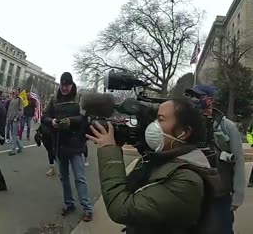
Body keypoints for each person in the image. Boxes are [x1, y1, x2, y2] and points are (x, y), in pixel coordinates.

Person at [86, 98, 221, 233]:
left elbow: (121, 208)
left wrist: (109, 150)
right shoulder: (163, 160)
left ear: (184, 133)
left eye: (160, 119)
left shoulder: (186, 181)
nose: (153, 125)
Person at [185, 84, 245, 234]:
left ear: (210, 100)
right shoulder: (186, 125)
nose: (193, 100)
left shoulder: (227, 127)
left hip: (220, 195)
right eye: (191, 96)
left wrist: (238, 195)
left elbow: (238, 160)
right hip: (194, 194)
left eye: (198, 96)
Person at [41, 72, 93, 221]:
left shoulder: (79, 99)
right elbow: (44, 117)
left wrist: (71, 121)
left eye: (67, 85)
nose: (64, 88)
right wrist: (51, 122)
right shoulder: (54, 100)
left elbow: (86, 119)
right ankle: (69, 203)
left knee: (79, 177)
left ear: (72, 84)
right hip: (59, 144)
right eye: (62, 85)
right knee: (64, 177)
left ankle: (87, 207)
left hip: (76, 144)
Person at [7, 88, 23, 156]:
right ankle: (20, 146)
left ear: (19, 92)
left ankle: (13, 150)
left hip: (15, 120)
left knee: (14, 135)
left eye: (17, 91)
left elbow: (21, 110)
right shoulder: (13, 99)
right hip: (10, 119)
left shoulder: (20, 100)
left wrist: (16, 117)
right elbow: (9, 109)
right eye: (15, 91)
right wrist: (8, 117)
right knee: (13, 135)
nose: (15, 92)